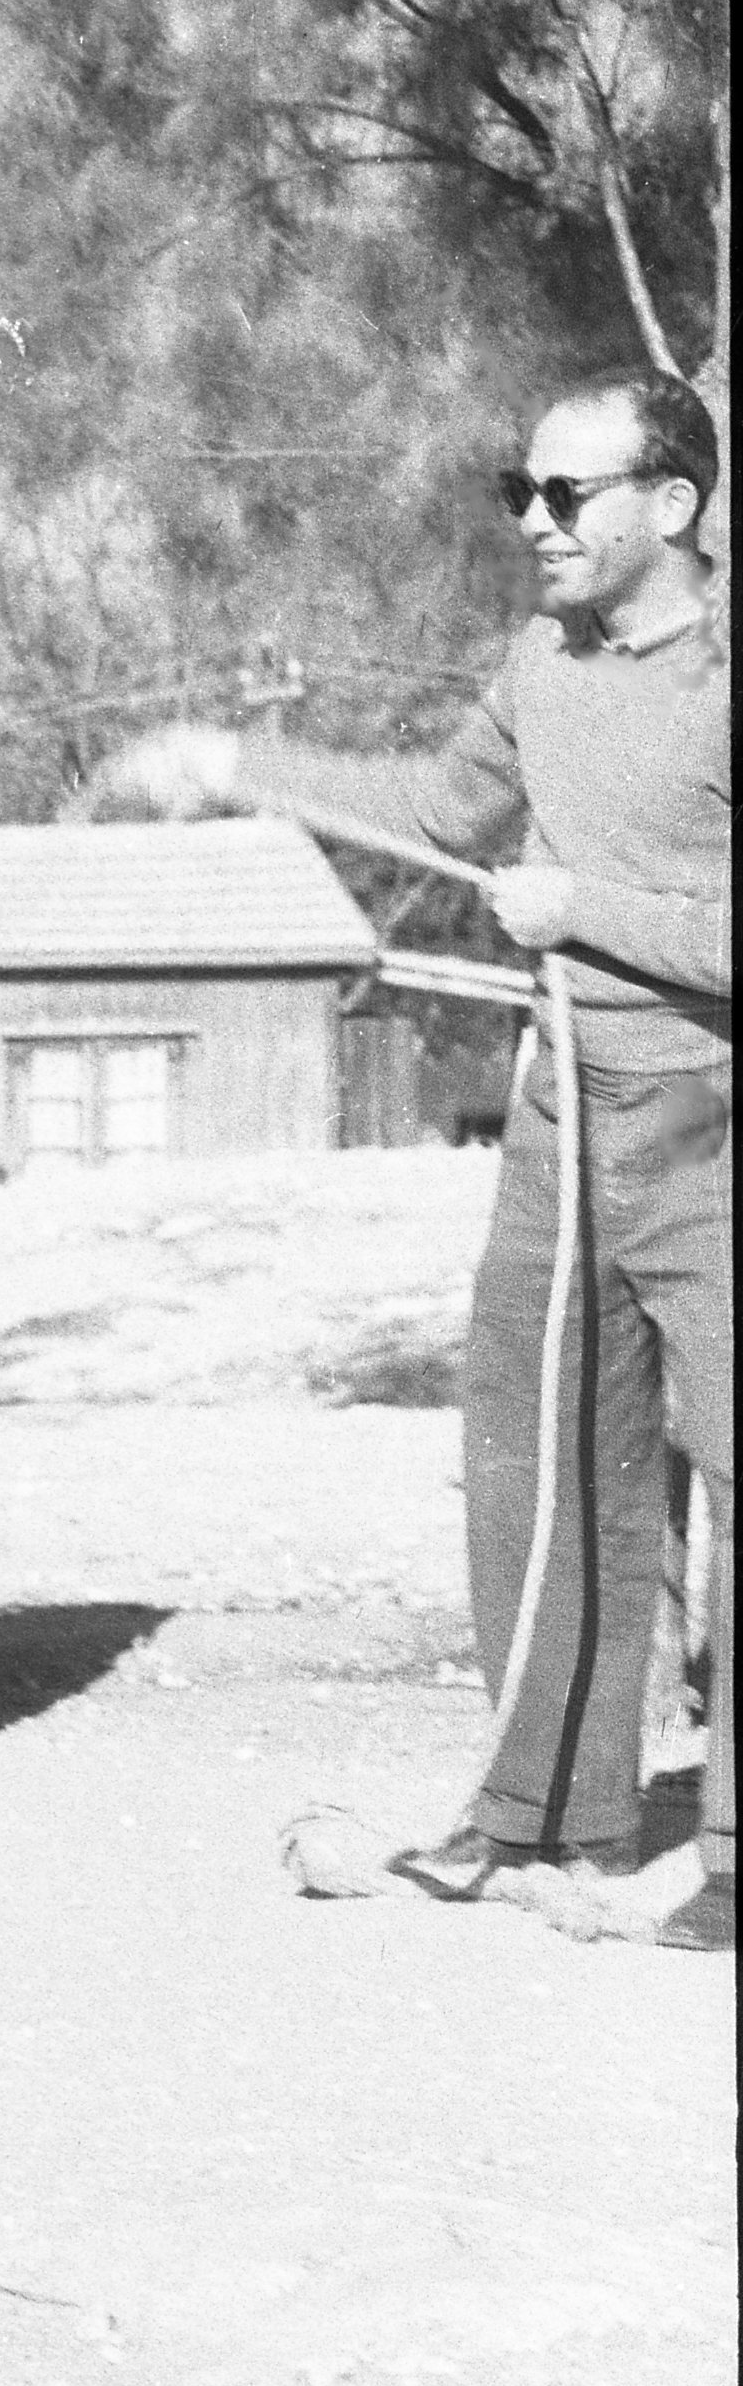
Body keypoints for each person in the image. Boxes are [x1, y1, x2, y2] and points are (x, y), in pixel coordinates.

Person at [107, 366, 729, 1949]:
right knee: (540, 1474)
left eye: (565, 496)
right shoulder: (543, 656)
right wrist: (246, 767)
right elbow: (446, 807)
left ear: (675, 504)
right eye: (516, 493)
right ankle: (548, 1816)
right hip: (558, 1124)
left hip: (714, 1131)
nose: (533, 523)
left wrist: (583, 908)